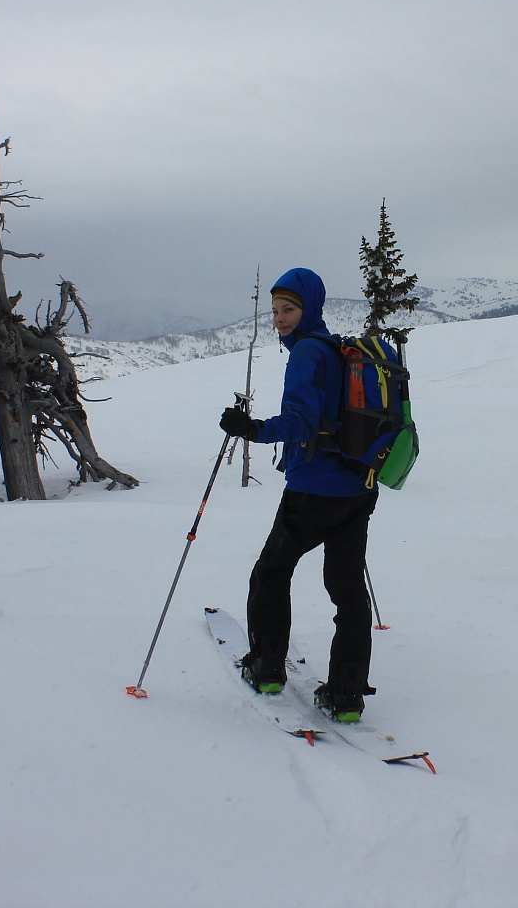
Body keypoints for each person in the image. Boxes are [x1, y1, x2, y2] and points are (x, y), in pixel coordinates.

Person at [218, 267, 377, 722]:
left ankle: (267, 668)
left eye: (288, 309)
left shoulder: (308, 352)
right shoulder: (339, 349)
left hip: (314, 490)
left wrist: (253, 429)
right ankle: (346, 695)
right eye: (275, 310)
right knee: (348, 591)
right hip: (358, 488)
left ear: (309, 308)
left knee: (271, 572)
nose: (279, 319)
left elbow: (302, 422)